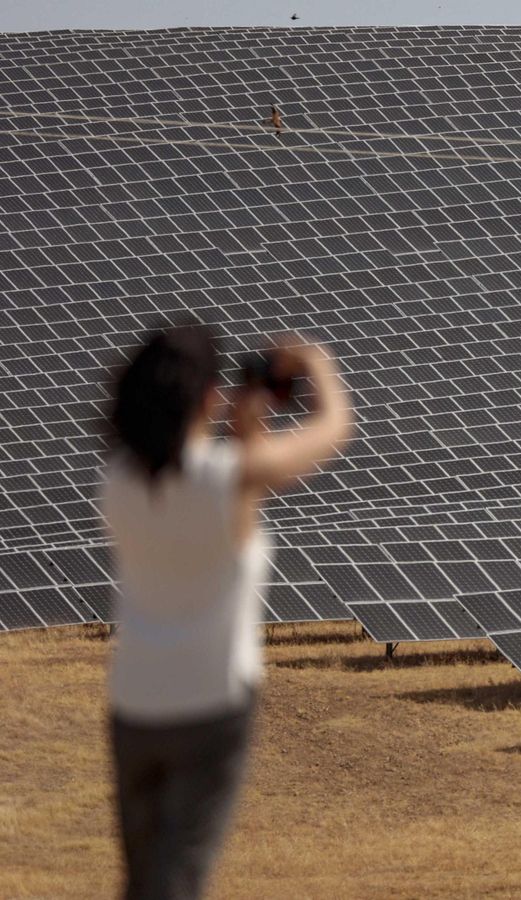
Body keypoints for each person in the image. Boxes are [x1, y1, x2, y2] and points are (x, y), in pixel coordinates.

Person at [100, 322, 352, 900]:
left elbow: (219, 487)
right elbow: (333, 429)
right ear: (208, 398)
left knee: (144, 878)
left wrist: (244, 426)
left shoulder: (118, 481)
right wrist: (316, 363)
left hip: (134, 706)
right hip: (209, 706)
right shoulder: (228, 479)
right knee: (177, 878)